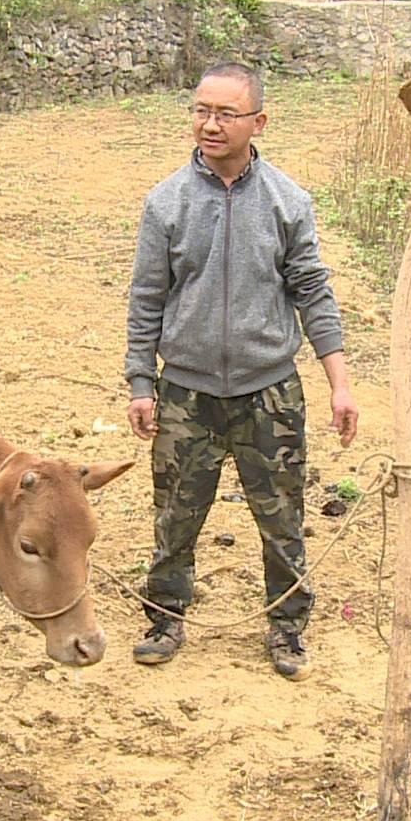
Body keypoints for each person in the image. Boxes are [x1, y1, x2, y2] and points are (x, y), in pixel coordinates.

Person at [123, 61, 360, 681]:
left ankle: (286, 628)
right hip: (186, 393)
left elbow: (313, 290)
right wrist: (142, 383)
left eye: (226, 113)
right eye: (202, 110)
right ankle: (164, 614)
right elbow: (147, 297)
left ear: (259, 121)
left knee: (282, 519)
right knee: (174, 514)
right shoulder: (166, 203)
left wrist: (339, 382)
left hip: (269, 391)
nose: (210, 124)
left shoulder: (288, 202)